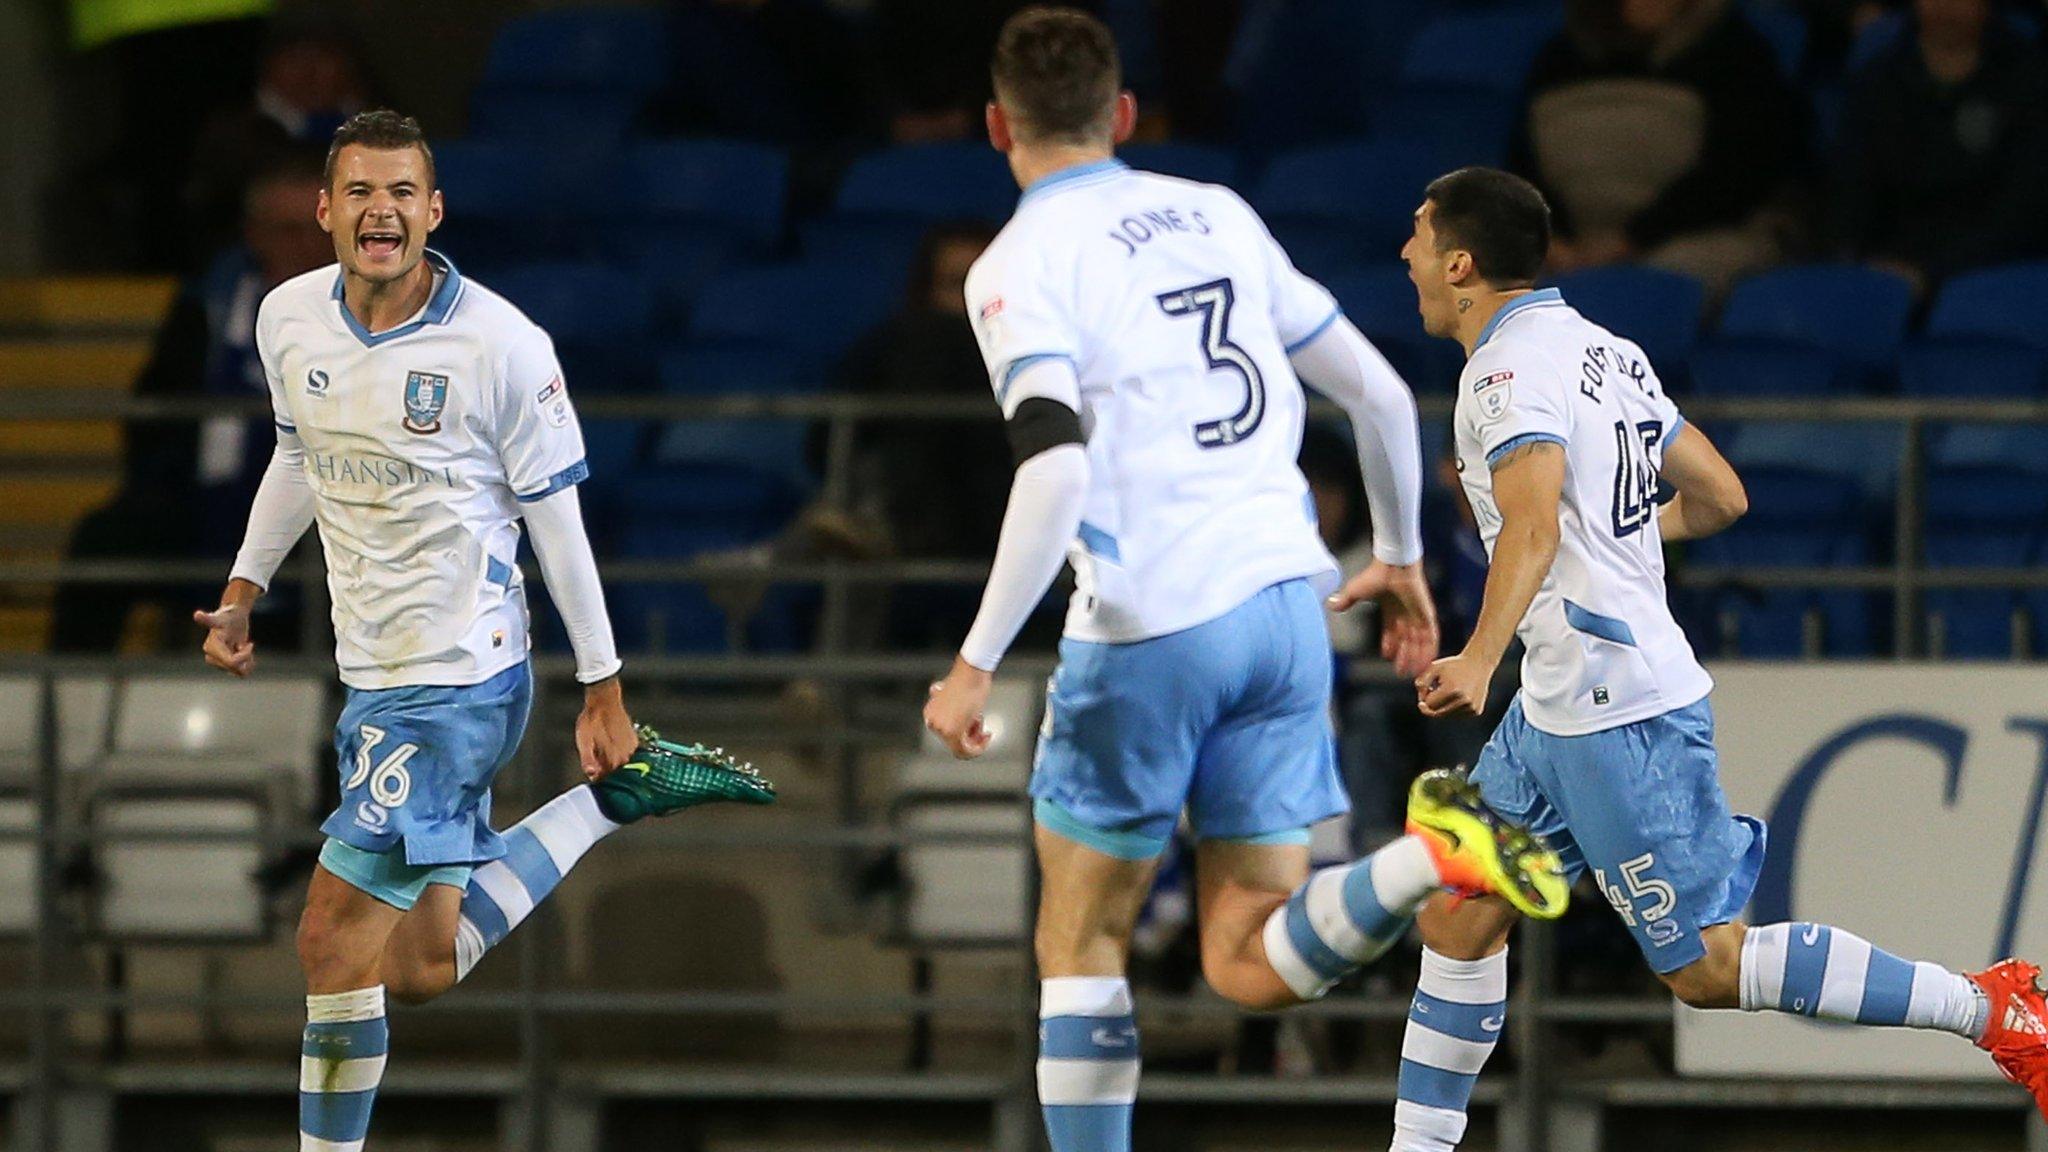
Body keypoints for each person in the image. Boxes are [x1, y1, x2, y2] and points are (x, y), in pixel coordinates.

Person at [918, 13, 1569, 1151]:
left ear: (994, 127)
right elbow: (1372, 391)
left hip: (1149, 624)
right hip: (1285, 609)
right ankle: (1426, 857)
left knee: (1080, 945)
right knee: (1246, 956)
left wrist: (973, 661)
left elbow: (1057, 464)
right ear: (1122, 116)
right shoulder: (1216, 212)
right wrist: (1400, 558)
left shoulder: (1016, 264)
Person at [1387, 165, 2048, 1152]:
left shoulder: (1499, 374)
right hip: (1554, 710)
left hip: (1617, 714)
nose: (1400, 254)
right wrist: (1612, 554)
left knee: (1703, 968)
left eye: (1415, 234)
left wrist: (1479, 656)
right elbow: (1720, 496)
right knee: (1456, 919)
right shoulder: (1604, 351)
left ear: (1459, 261)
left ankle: (1988, 1009)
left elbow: (1527, 530)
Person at [189, 110, 776, 1152]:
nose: (382, 212)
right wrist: (244, 585)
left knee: (328, 942)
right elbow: (296, 451)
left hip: (458, 681)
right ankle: (611, 805)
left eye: (403, 192)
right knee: (417, 968)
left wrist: (605, 687)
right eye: (361, 192)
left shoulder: (501, 345)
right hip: (373, 677)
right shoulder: (289, 318)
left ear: (434, 211)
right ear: (326, 211)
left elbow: (559, 522)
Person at [52, 151, 334, 653]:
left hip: (331, 509)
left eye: (318, 229)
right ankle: (66, 713)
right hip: (202, 500)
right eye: (287, 231)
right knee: (104, 539)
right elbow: (154, 412)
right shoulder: (208, 305)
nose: (306, 246)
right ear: (255, 234)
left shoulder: (380, 313)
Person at [1507, 0, 1808, 296]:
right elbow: (1523, 170)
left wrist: (1632, 240)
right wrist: (1552, 239)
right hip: (1577, 247)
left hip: (1697, 237)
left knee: (1658, 286)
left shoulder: (1737, 53)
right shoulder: (1557, 61)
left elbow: (1738, 173)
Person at [1832, 0, 2048, 293]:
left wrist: (1933, 273)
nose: (1947, 6)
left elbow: (2023, 211)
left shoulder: (2031, 81)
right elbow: (1852, 194)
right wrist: (1865, 264)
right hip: (1885, 271)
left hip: (1995, 277)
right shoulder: (1877, 81)